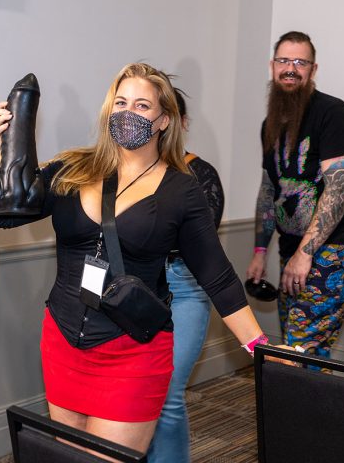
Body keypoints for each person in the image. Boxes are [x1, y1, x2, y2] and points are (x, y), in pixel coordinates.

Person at [0, 63, 273, 456]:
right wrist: (7, 147)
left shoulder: (181, 190)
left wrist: (261, 348)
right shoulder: (72, 168)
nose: (128, 112)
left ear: (164, 120)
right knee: (69, 457)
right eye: (120, 103)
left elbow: (216, 276)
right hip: (63, 342)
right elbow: (2, 213)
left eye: (141, 105)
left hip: (133, 353)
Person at [245, 31, 344, 359]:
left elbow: (338, 191)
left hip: (330, 249)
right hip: (291, 249)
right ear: (272, 66)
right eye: (284, 61)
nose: (291, 68)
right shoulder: (270, 123)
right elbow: (269, 189)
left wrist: (305, 253)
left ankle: (306, 393)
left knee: (301, 348)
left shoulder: (333, 113)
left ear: (313, 69)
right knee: (296, 344)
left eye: (300, 62)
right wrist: (260, 251)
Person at [146, 87, 224, 463]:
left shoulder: (200, 174)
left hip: (184, 285)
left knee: (167, 393)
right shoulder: (127, 169)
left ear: (179, 123)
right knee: (135, 392)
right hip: (135, 286)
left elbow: (200, 247)